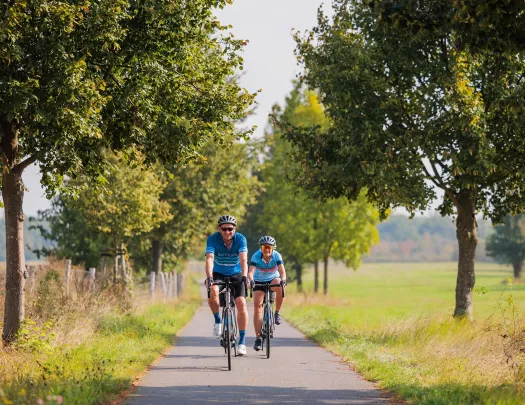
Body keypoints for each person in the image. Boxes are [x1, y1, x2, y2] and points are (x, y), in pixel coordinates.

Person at [204, 215, 249, 356]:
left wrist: (245, 276)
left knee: (241, 303)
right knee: (213, 290)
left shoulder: (240, 239)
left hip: (236, 274)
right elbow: (210, 259)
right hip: (219, 274)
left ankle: (241, 342)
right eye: (224, 229)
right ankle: (218, 321)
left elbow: (243, 259)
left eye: (230, 229)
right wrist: (210, 277)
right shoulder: (212, 239)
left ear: (234, 229)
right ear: (219, 229)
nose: (227, 232)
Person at [248, 235, 286, 352]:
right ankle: (258, 338)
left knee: (279, 284)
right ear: (261, 247)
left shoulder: (276, 255)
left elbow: (282, 272)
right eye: (264, 247)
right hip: (259, 281)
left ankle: (277, 313)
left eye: (269, 247)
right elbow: (251, 272)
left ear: (273, 248)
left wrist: (283, 280)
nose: (267, 249)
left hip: (273, 280)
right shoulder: (256, 256)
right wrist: (251, 280)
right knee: (257, 307)